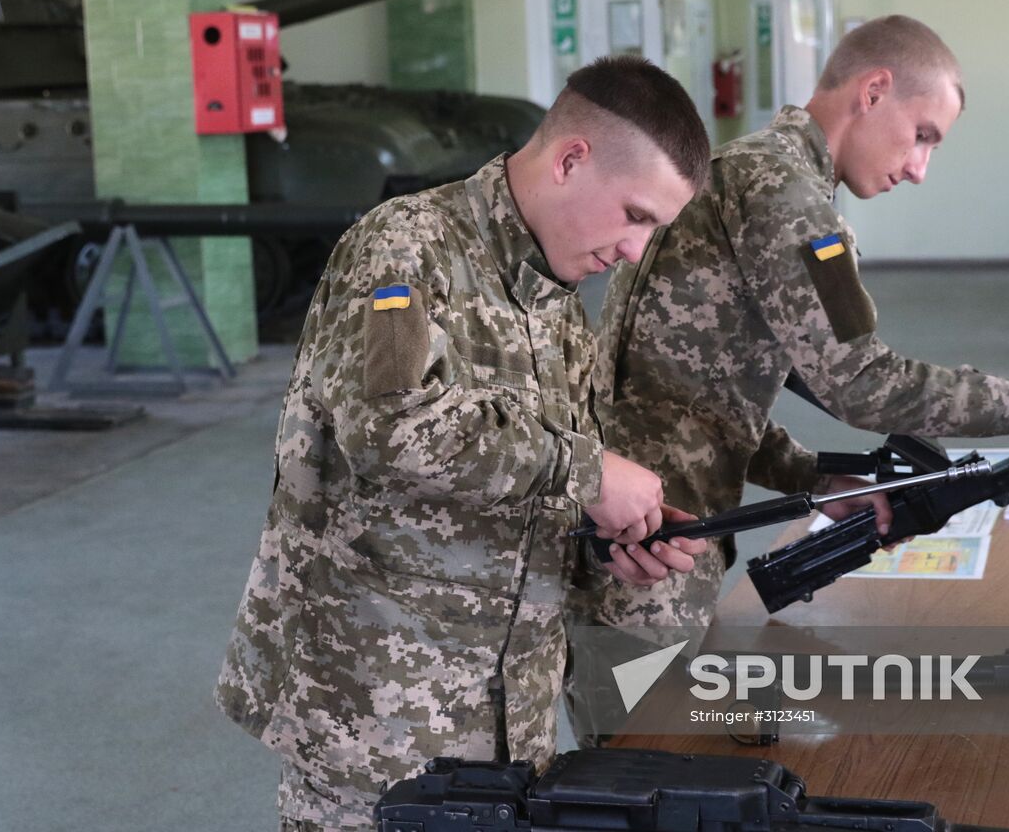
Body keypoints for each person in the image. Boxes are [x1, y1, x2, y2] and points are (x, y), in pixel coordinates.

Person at [214, 55, 712, 832]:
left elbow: (525, 501)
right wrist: (585, 470)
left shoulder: (557, 307)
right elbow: (389, 427)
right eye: (636, 215)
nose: (634, 251)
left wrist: (606, 544)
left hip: (508, 730)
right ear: (571, 159)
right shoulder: (408, 248)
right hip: (375, 729)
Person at [576, 13, 1009, 649]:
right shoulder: (788, 196)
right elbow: (861, 384)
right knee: (642, 740)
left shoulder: (740, 169)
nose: (919, 168)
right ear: (873, 91)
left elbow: (692, 393)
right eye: (921, 135)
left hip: (639, 535)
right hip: (645, 558)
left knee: (643, 731)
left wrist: (815, 479)